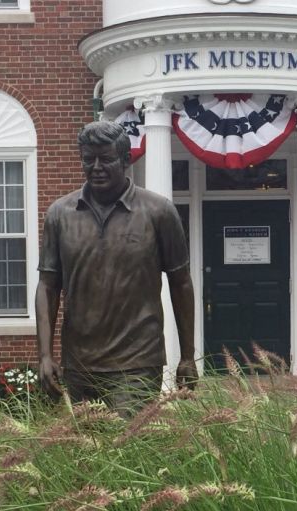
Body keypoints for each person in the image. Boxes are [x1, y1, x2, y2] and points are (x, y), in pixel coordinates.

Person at [36, 121, 196, 416]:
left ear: (125, 160)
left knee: (126, 440)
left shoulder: (159, 212)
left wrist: (187, 356)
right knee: (85, 443)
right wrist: (45, 355)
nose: (96, 167)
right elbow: (47, 286)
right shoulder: (60, 214)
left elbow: (181, 282)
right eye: (88, 159)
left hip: (137, 359)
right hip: (79, 362)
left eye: (106, 159)